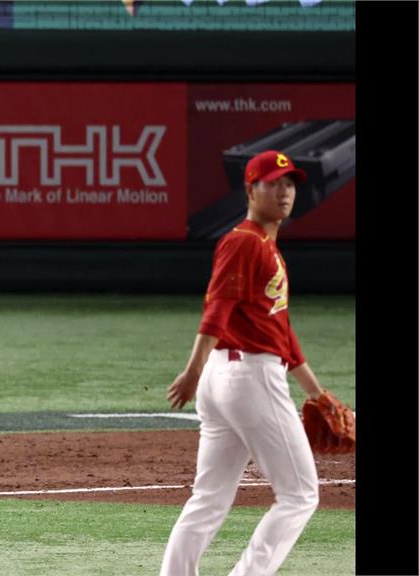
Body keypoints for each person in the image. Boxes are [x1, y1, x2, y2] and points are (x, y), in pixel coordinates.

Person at [160, 150, 326, 575]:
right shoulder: (245, 241)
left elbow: (283, 334)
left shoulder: (267, 247)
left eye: (289, 184)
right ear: (251, 189)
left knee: (209, 497)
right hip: (248, 378)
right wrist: (192, 370)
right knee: (301, 494)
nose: (284, 192)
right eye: (273, 183)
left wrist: (317, 393)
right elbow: (218, 307)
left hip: (229, 377)